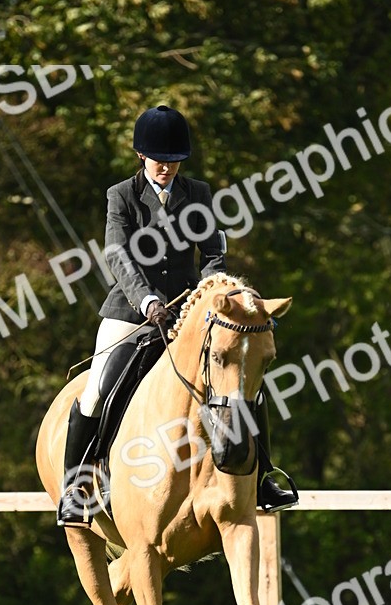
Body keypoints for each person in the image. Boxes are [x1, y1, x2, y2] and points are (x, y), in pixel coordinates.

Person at [57, 104, 297, 526]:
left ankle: (262, 478)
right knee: (97, 389)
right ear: (141, 156)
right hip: (132, 311)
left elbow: (212, 252)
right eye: (159, 160)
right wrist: (147, 301)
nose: (166, 167)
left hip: (189, 313)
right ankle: (76, 489)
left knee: (242, 383)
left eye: (173, 161)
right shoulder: (121, 197)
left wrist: (209, 292)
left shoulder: (198, 193)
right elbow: (119, 257)